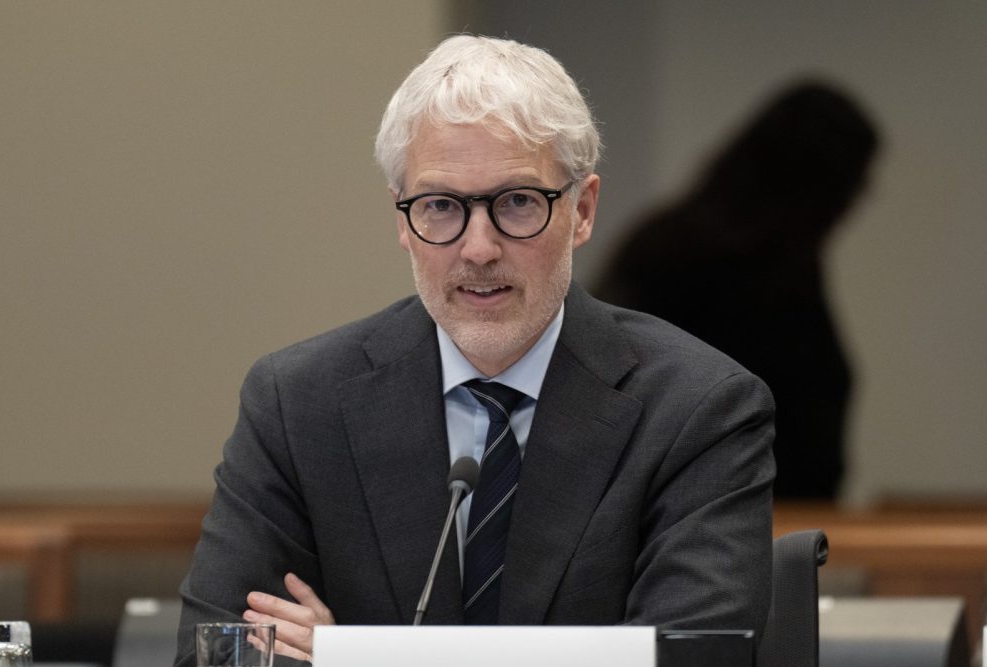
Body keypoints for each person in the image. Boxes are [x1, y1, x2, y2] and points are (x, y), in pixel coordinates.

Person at [174, 35, 775, 666]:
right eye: (441, 206)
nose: (479, 249)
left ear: (582, 210)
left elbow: (694, 660)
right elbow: (218, 653)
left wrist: (353, 657)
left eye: (517, 202)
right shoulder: (298, 403)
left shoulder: (698, 410)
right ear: (402, 221)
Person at [596, 80, 879, 499]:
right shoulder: (743, 271)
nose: (859, 200)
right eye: (852, 185)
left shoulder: (671, 246)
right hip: (713, 518)